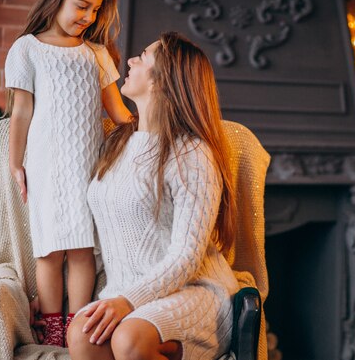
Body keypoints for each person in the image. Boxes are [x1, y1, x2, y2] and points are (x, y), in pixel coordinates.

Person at [66, 32, 240, 360]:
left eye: (143, 57)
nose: (130, 61)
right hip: (125, 293)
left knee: (130, 339)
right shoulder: (117, 143)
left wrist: (129, 301)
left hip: (191, 291)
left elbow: (187, 256)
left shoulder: (192, 152)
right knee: (81, 334)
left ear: (163, 81)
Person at [5, 0, 132, 347]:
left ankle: (77, 326)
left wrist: (155, 129)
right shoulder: (27, 49)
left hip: (87, 169)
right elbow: (21, 112)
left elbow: (119, 113)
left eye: (94, 10)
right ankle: (52, 326)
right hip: (45, 167)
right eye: (81, 6)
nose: (88, 17)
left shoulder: (95, 55)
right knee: (50, 251)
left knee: (81, 250)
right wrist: (16, 165)